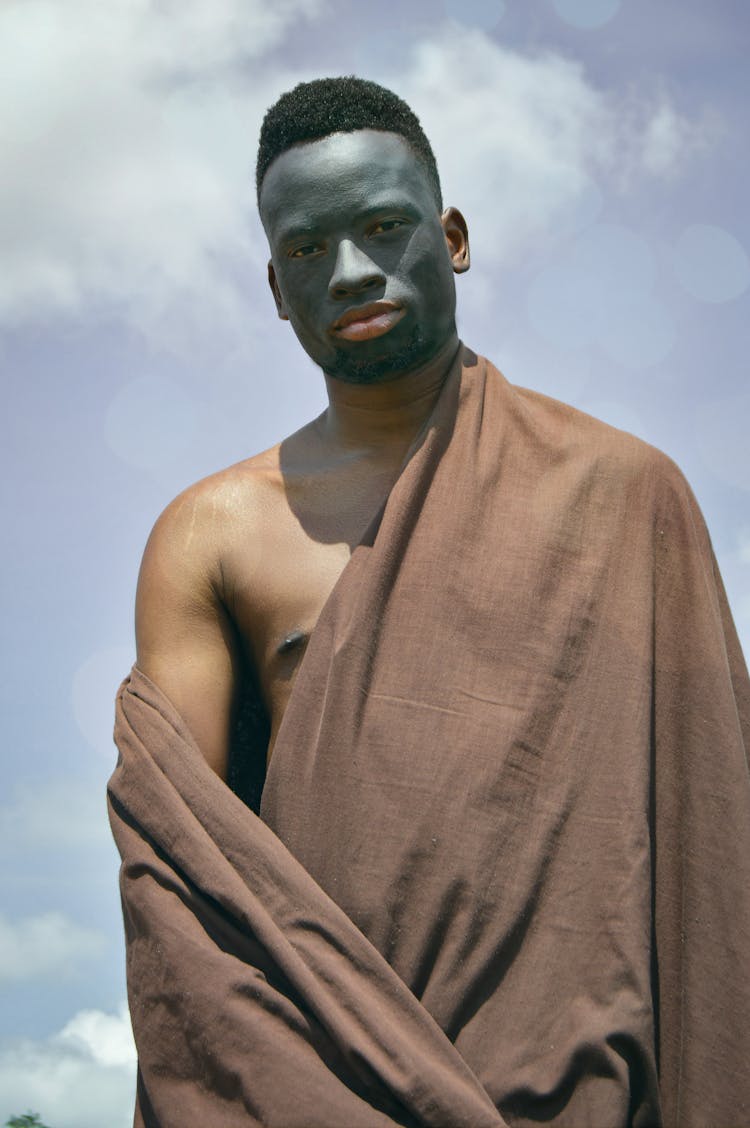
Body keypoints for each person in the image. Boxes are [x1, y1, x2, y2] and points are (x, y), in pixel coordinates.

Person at [110, 77, 750, 1127]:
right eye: (309, 249)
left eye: (383, 226)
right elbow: (183, 888)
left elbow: (710, 857)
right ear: (276, 286)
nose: (352, 269)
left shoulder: (625, 494)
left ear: (450, 235)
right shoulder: (213, 534)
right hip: (317, 1089)